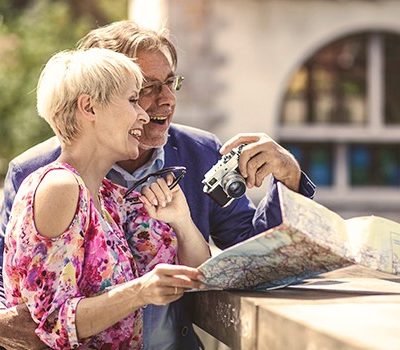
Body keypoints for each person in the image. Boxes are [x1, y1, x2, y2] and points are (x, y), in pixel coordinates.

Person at [0, 21, 315, 349]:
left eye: (169, 82)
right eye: (142, 91)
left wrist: (288, 177)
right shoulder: (41, 174)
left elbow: (253, 259)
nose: (166, 100)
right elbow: (19, 290)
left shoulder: (196, 155)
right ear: (92, 103)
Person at [2, 47, 209, 349]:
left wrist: (182, 221)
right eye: (132, 100)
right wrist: (140, 292)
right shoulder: (59, 187)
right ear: (89, 108)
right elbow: (48, 325)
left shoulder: (108, 196)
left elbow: (198, 273)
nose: (142, 114)